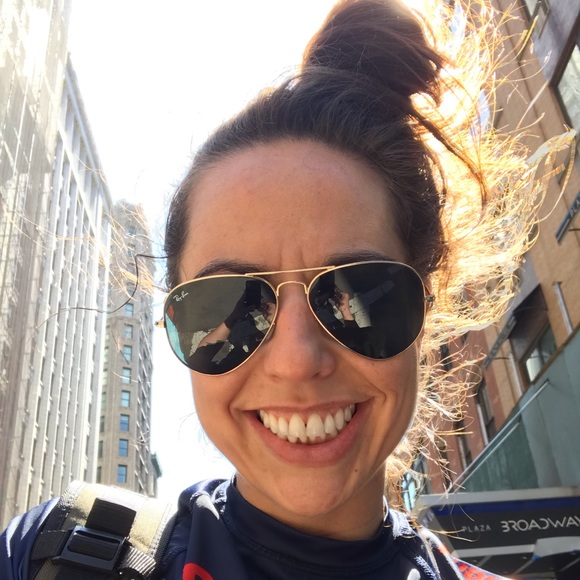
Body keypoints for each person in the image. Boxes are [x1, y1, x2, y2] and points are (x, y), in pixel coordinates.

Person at [1, 0, 570, 578]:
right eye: (230, 305)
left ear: (426, 305)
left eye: (355, 293)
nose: (297, 360)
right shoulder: (51, 555)